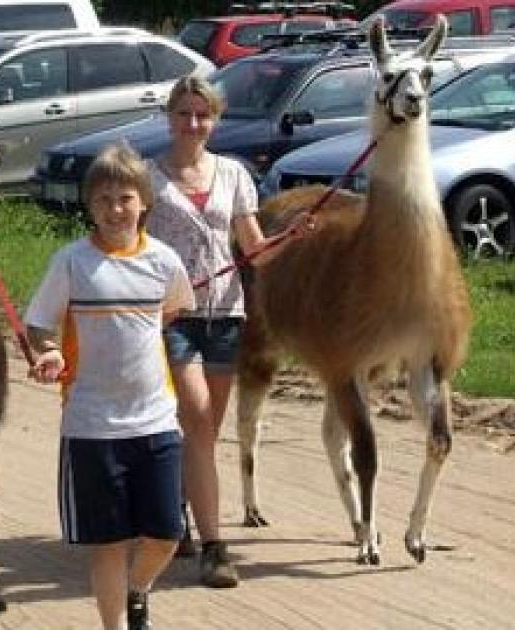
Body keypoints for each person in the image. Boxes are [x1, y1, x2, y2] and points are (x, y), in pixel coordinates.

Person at [145, 74, 316, 588]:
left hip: (227, 316)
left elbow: (254, 250)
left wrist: (293, 237)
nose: (193, 123)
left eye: (203, 114)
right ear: (169, 117)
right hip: (172, 319)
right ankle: (215, 549)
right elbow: (129, 244)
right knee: (197, 420)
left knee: (204, 432)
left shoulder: (235, 175)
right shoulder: (147, 178)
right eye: (184, 113)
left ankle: (174, 511)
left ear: (215, 120)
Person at [26, 143, 195, 630]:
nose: (115, 209)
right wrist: (51, 351)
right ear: (89, 206)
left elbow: (173, 310)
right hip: (91, 426)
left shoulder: (164, 261)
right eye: (103, 200)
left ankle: (138, 589)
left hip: (156, 420)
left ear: (144, 201)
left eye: (125, 197)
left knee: (167, 532)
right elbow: (40, 323)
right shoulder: (72, 262)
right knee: (109, 543)